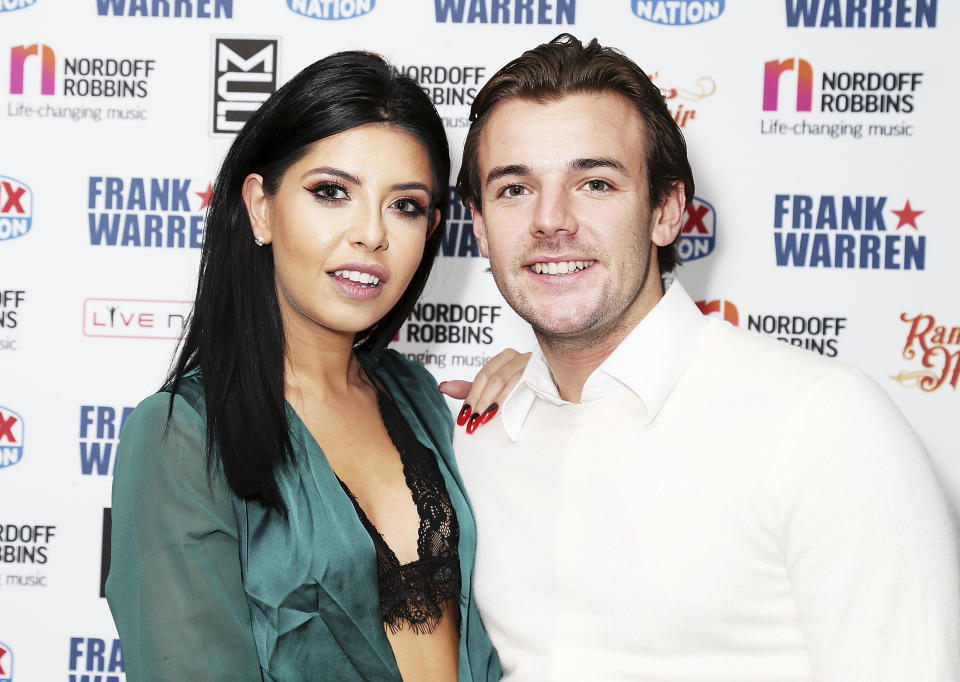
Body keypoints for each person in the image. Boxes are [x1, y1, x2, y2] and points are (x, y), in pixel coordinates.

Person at [452, 34, 960, 681]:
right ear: (479, 226)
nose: (552, 220)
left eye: (596, 183)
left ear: (667, 211)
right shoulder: (473, 440)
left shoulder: (823, 423)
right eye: (515, 189)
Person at [106, 51, 504, 681]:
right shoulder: (179, 436)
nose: (370, 234)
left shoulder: (419, 395)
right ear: (261, 207)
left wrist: (541, 395)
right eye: (331, 192)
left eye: (404, 205)